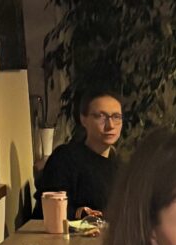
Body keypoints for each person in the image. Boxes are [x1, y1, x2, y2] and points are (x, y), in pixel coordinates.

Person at [41, 84, 125, 215]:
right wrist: (80, 213)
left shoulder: (120, 166)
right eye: (101, 116)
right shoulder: (65, 159)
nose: (110, 125)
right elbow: (50, 208)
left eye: (116, 117)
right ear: (83, 119)